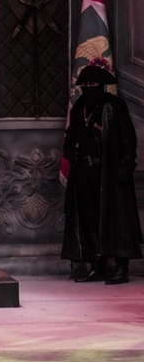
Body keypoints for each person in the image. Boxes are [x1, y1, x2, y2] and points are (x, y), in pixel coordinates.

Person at [61, 65, 142, 285]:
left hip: (109, 173)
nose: (88, 88)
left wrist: (126, 166)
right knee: (90, 219)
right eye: (85, 85)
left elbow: (128, 139)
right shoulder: (79, 108)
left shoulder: (113, 106)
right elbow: (71, 136)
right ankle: (99, 265)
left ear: (101, 85)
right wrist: (70, 152)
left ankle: (121, 267)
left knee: (117, 219)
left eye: (92, 84)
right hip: (84, 174)